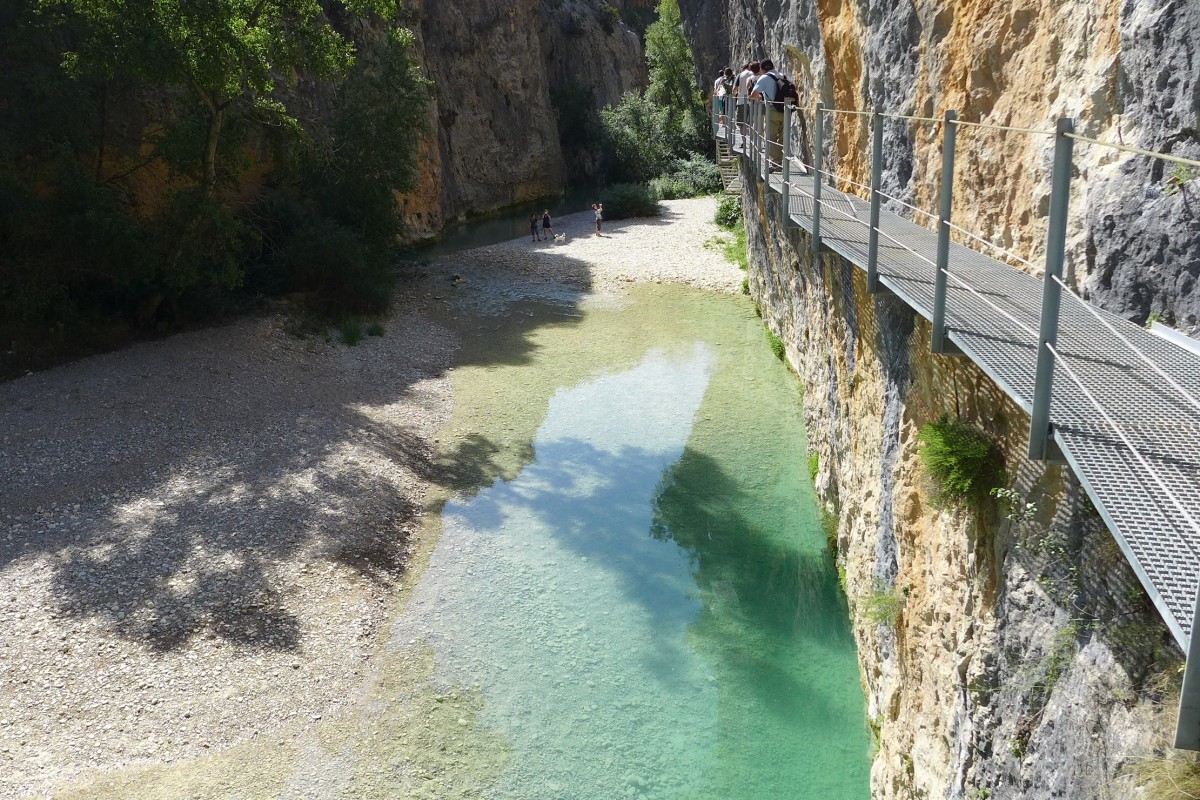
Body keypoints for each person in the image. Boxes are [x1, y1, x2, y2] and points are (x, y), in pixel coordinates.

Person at [751, 59, 786, 170]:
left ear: (762, 69)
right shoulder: (782, 75)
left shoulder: (764, 77)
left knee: (770, 137)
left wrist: (760, 96)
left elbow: (753, 94)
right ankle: (781, 161)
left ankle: (776, 163)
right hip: (785, 110)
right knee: (781, 137)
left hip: (772, 110)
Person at [735, 61, 760, 144]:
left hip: (742, 101)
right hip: (754, 101)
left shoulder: (740, 75)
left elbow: (734, 89)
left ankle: (744, 142)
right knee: (753, 122)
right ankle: (754, 142)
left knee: (742, 123)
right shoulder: (757, 75)